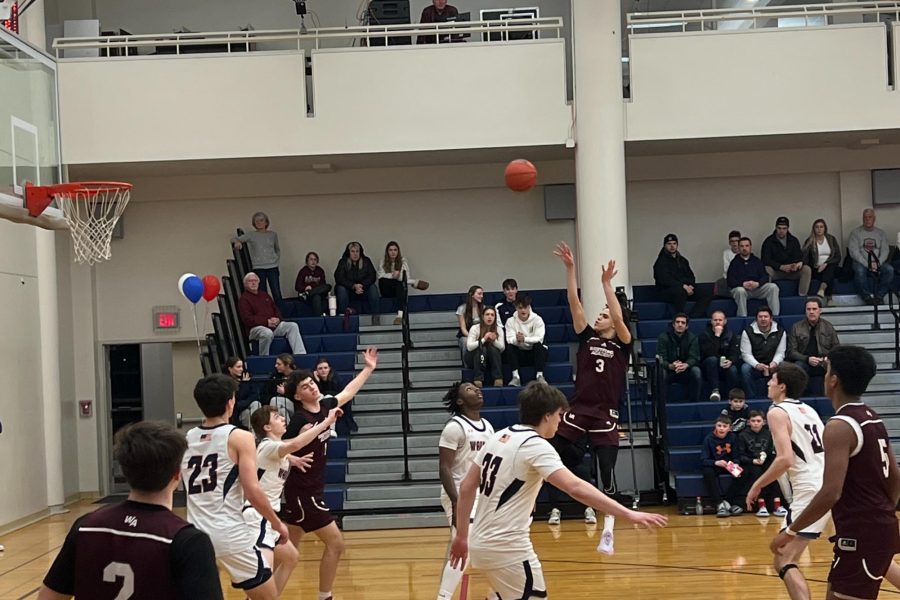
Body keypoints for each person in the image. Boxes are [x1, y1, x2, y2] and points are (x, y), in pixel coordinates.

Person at [448, 382, 667, 599]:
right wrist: (628, 514)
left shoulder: (498, 436)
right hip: (507, 548)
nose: (561, 421)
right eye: (559, 415)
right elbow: (575, 487)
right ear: (547, 416)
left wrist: (461, 536)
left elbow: (467, 487)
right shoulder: (535, 445)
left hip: (480, 541)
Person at [37, 421, 223, 600]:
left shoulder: (85, 527)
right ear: (177, 473)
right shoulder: (189, 541)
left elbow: (48, 597)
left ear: (124, 471)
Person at [770, 346, 900, 600]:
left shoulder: (839, 426)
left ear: (833, 380)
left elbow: (831, 492)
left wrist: (790, 531)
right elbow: (895, 476)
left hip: (861, 533)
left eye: (827, 369)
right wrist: (883, 514)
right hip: (875, 529)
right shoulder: (872, 416)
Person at [549, 243, 632, 544]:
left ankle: (608, 527)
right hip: (578, 409)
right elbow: (574, 303)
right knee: (552, 448)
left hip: (605, 414)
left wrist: (606, 285)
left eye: (605, 313)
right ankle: (565, 490)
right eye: (600, 312)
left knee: (607, 473)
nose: (600, 316)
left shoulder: (622, 344)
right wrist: (571, 270)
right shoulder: (586, 339)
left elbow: (621, 319)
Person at [280, 348, 378, 600]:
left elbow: (347, 393)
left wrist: (368, 368)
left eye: (311, 382)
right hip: (303, 492)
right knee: (335, 544)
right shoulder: (299, 420)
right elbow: (274, 448)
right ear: (296, 395)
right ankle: (325, 597)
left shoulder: (324, 405)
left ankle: (261, 594)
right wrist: (291, 456)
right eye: (304, 386)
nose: (311, 387)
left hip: (310, 488)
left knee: (286, 551)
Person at [182, 374, 290, 599]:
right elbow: (252, 490)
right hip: (229, 534)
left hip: (195, 534)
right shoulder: (239, 436)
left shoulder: (187, 438)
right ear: (230, 402)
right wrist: (277, 523)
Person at [745, 363, 829, 600]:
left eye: (772, 379)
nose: (769, 383)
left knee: (782, 556)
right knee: (868, 555)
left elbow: (785, 459)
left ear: (782, 386)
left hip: (810, 490)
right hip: (829, 484)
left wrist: (757, 484)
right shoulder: (809, 410)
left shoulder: (776, 412)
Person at [246, 405, 339, 595]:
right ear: (267, 427)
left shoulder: (275, 449)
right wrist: (327, 423)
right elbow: (294, 445)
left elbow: (283, 452)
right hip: (255, 517)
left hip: (267, 516)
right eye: (276, 417)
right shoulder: (268, 446)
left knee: (290, 557)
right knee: (264, 570)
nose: (282, 418)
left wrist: (293, 460)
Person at [436, 382, 495, 600]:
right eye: (470, 389)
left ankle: (497, 592)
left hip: (483, 495)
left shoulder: (488, 426)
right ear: (460, 400)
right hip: (459, 493)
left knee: (491, 544)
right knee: (464, 547)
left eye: (477, 388)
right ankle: (443, 597)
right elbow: (444, 468)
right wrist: (456, 501)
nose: (478, 390)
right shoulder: (454, 427)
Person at [239, 272, 306, 356]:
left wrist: (278, 319)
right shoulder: (244, 299)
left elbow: (276, 309)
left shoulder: (265, 295)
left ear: (259, 282)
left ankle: (300, 354)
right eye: (250, 281)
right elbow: (247, 319)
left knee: (292, 326)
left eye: (255, 280)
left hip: (273, 326)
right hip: (255, 329)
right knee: (267, 333)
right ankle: (264, 358)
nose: (253, 283)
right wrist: (266, 322)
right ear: (245, 284)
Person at [786, 296, 840, 395]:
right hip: (804, 361)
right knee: (798, 366)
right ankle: (799, 395)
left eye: (814, 309)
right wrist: (807, 359)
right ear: (805, 311)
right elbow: (791, 351)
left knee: (838, 367)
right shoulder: (796, 327)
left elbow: (836, 348)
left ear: (820, 311)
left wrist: (827, 358)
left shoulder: (828, 327)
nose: (811, 312)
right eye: (809, 309)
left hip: (823, 362)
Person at [652, 233, 712, 318]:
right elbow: (664, 280)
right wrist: (682, 286)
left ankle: (693, 316)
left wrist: (690, 285)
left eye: (674, 243)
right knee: (680, 291)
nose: (672, 246)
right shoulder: (660, 262)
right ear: (665, 245)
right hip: (667, 291)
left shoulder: (683, 260)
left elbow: (691, 276)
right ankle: (680, 317)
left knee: (706, 292)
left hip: (686, 289)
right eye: (669, 244)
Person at [232, 211, 282, 302]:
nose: (259, 223)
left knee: (277, 292)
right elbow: (234, 239)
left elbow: (277, 249)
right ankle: (265, 313)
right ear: (254, 223)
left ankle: (281, 313)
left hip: (272, 267)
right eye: (256, 221)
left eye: (261, 220)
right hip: (259, 267)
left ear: (266, 222)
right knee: (262, 293)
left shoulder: (273, 235)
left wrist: (276, 260)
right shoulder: (251, 235)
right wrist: (237, 242)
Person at [848, 208, 894, 305]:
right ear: (862, 219)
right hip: (861, 262)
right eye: (865, 217)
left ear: (874, 219)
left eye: (870, 217)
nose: (867, 219)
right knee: (859, 270)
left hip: (878, 262)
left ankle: (879, 297)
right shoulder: (855, 233)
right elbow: (854, 252)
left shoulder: (881, 233)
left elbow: (885, 250)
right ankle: (867, 298)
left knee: (889, 270)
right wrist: (868, 264)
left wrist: (877, 263)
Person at [377, 241, 430, 325]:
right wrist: (392, 275)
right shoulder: (383, 261)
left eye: (395, 250)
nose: (393, 252)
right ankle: (414, 283)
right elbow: (380, 276)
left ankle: (400, 315)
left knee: (401, 285)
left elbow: (406, 277)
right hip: (386, 290)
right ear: (387, 252)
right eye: (390, 250)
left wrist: (398, 276)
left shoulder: (403, 261)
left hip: (398, 288)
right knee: (384, 280)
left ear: (398, 251)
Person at [738, 410, 780, 517]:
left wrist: (766, 456)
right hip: (751, 462)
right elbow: (740, 455)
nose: (756, 423)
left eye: (758, 421)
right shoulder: (743, 435)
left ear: (764, 422)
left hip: (766, 460)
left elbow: (772, 450)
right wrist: (752, 460)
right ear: (748, 422)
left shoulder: (768, 434)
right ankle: (761, 505)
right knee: (757, 474)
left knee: (773, 472)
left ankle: (777, 505)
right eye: (753, 421)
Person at [700, 415, 743, 518]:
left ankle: (728, 501)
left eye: (724, 426)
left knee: (743, 473)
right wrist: (715, 462)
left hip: (730, 465)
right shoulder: (708, 439)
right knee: (707, 472)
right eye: (719, 426)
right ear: (715, 426)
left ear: (729, 427)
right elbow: (704, 460)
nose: (721, 428)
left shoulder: (733, 437)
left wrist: (736, 464)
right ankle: (719, 504)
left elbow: (737, 456)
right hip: (716, 465)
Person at [727, 237, 781, 317]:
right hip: (743, 290)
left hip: (757, 288)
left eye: (746, 246)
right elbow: (730, 280)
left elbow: (765, 276)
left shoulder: (757, 261)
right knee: (739, 291)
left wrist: (758, 283)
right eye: (742, 246)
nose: (744, 248)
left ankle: (775, 317)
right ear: (738, 248)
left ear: (750, 247)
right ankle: (742, 318)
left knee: (773, 287)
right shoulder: (734, 263)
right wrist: (742, 284)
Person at [739, 306, 786, 398]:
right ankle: (751, 397)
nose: (763, 319)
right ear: (756, 319)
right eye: (760, 317)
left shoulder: (780, 331)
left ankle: (779, 396)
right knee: (745, 368)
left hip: (772, 364)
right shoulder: (747, 332)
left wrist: (774, 362)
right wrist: (757, 365)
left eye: (766, 316)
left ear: (771, 318)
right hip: (755, 365)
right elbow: (746, 354)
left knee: (784, 366)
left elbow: (781, 352)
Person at [655, 313, 702, 403]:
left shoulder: (692, 338)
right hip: (669, 370)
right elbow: (661, 358)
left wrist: (686, 365)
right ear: (673, 324)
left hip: (686, 370)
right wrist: (670, 366)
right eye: (677, 322)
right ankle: (661, 403)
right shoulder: (663, 337)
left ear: (686, 326)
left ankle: (694, 402)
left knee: (696, 371)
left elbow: (694, 357)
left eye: (683, 323)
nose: (680, 324)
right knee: (661, 372)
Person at [761, 216, 812, 297]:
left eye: (784, 228)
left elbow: (800, 256)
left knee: (806, 269)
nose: (781, 231)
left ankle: (802, 296)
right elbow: (765, 259)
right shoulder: (769, 241)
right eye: (779, 228)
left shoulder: (793, 240)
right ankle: (768, 295)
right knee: (767, 269)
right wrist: (780, 266)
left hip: (792, 271)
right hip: (776, 271)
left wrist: (797, 265)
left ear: (788, 228)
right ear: (776, 228)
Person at [504, 294, 548, 387]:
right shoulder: (510, 321)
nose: (523, 310)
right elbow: (509, 339)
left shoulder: (537, 319)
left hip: (534, 353)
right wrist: (518, 340)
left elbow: (539, 338)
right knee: (510, 347)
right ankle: (516, 377)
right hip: (520, 353)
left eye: (525, 307)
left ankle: (540, 376)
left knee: (539, 345)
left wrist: (525, 339)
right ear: (516, 308)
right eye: (520, 308)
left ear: (529, 307)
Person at [699, 310, 740, 402]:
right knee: (712, 360)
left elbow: (735, 353)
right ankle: (715, 391)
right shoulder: (704, 335)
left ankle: (731, 395)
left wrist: (731, 361)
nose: (717, 322)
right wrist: (717, 336)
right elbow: (708, 353)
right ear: (711, 321)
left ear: (725, 321)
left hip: (725, 365)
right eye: (715, 320)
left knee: (733, 369)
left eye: (720, 320)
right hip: (708, 366)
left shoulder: (730, 334)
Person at [333, 241, 380, 322]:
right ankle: (343, 316)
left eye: (357, 251)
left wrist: (361, 285)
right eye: (353, 251)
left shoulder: (366, 261)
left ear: (360, 252)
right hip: (349, 290)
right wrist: (353, 286)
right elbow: (339, 277)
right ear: (349, 253)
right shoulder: (343, 262)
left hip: (363, 290)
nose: (355, 254)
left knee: (373, 288)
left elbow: (372, 276)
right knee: (341, 289)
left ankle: (376, 316)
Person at [313, 356, 358, 435]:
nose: (323, 370)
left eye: (325, 368)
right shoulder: (313, 381)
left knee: (328, 398)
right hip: (321, 404)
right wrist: (317, 381)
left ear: (329, 369)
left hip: (338, 403)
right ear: (316, 371)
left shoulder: (337, 379)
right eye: (320, 368)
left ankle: (331, 429)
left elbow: (343, 396)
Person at [801, 218, 841, 299]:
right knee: (830, 274)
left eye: (821, 227)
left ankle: (822, 288)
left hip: (830, 266)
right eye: (817, 227)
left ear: (825, 228)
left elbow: (838, 256)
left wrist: (826, 264)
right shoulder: (809, 241)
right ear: (814, 229)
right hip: (816, 269)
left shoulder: (831, 239)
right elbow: (804, 258)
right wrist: (816, 266)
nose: (819, 229)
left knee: (830, 268)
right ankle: (829, 298)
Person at [466, 306, 505, 387]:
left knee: (493, 348)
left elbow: (502, 348)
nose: (489, 317)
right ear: (482, 316)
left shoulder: (499, 329)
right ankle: (478, 378)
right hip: (474, 359)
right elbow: (469, 347)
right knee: (481, 348)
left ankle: (498, 378)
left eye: (492, 315)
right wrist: (484, 339)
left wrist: (494, 341)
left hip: (490, 359)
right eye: (487, 314)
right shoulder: (475, 328)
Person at [224, 356, 259, 429]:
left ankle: (254, 434)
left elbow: (255, 395)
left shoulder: (247, 377)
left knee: (256, 404)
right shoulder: (227, 382)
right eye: (238, 367)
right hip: (236, 413)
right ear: (230, 369)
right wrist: (244, 384)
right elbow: (237, 398)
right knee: (249, 413)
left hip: (246, 408)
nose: (241, 369)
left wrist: (243, 404)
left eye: (242, 367)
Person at [294, 251, 332, 317]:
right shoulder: (303, 271)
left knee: (328, 286)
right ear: (307, 261)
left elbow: (323, 286)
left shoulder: (320, 270)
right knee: (316, 297)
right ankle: (318, 318)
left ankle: (310, 293)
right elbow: (297, 287)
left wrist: (313, 289)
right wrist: (305, 288)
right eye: (311, 259)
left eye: (315, 259)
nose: (313, 261)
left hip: (316, 293)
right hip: (305, 296)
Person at [266, 353, 296, 424]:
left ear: (287, 365)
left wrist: (285, 393)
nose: (275, 366)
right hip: (279, 406)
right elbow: (267, 392)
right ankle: (287, 430)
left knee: (275, 400)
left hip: (295, 404)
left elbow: (299, 395)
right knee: (281, 409)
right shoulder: (275, 377)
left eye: (279, 364)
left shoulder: (297, 376)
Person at [456, 285, 484, 362]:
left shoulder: (484, 308)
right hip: (466, 335)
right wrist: (472, 338)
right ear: (472, 295)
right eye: (479, 294)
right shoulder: (462, 309)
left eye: (482, 294)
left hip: (480, 335)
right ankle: (467, 364)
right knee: (466, 341)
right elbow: (463, 328)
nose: (481, 296)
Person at [715, 230, 741, 297]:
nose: (735, 243)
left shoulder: (744, 252)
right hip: (729, 278)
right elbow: (727, 269)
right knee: (720, 283)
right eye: (732, 241)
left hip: (742, 278)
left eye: (737, 241)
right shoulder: (726, 253)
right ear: (729, 243)